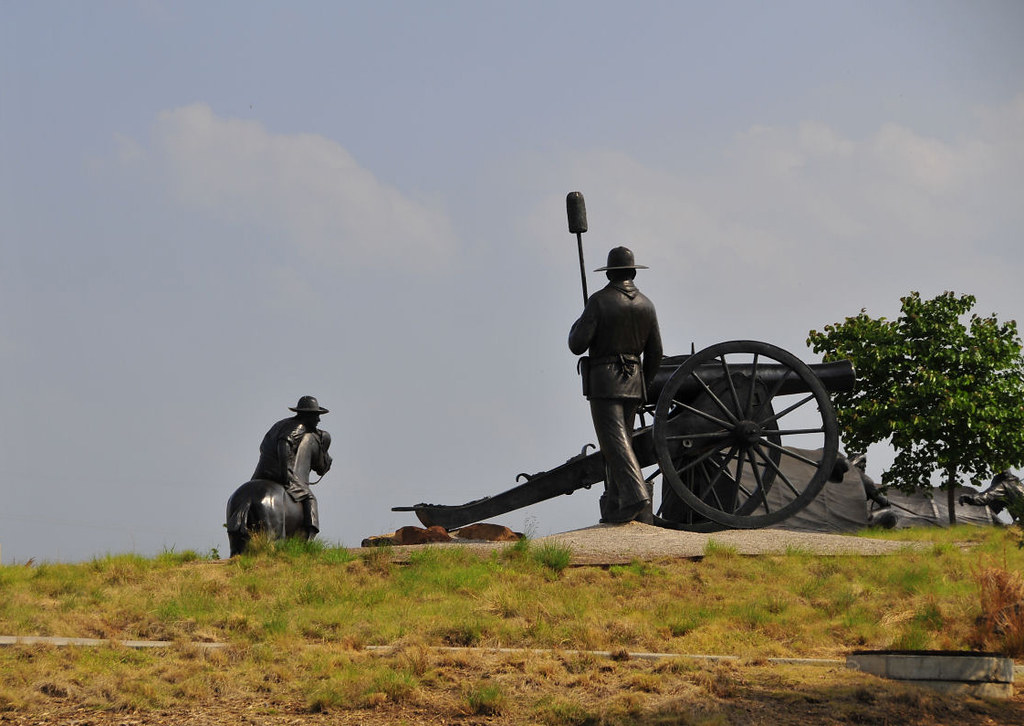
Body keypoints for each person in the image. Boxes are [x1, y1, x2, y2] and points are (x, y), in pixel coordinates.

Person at [569, 246, 663, 524]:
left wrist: (580, 320)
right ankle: (614, 505)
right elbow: (656, 352)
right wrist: (643, 383)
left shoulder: (599, 301)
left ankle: (635, 495)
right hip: (634, 382)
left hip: (605, 382)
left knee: (614, 443)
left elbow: (577, 344)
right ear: (632, 272)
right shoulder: (647, 304)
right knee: (624, 443)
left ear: (610, 273)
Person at [252, 395, 332, 536]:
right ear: (307, 415)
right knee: (310, 498)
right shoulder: (299, 427)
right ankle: (309, 536)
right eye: (316, 416)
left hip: (260, 474)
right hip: (278, 473)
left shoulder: (280, 424)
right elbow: (284, 443)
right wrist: (285, 473)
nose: (318, 420)